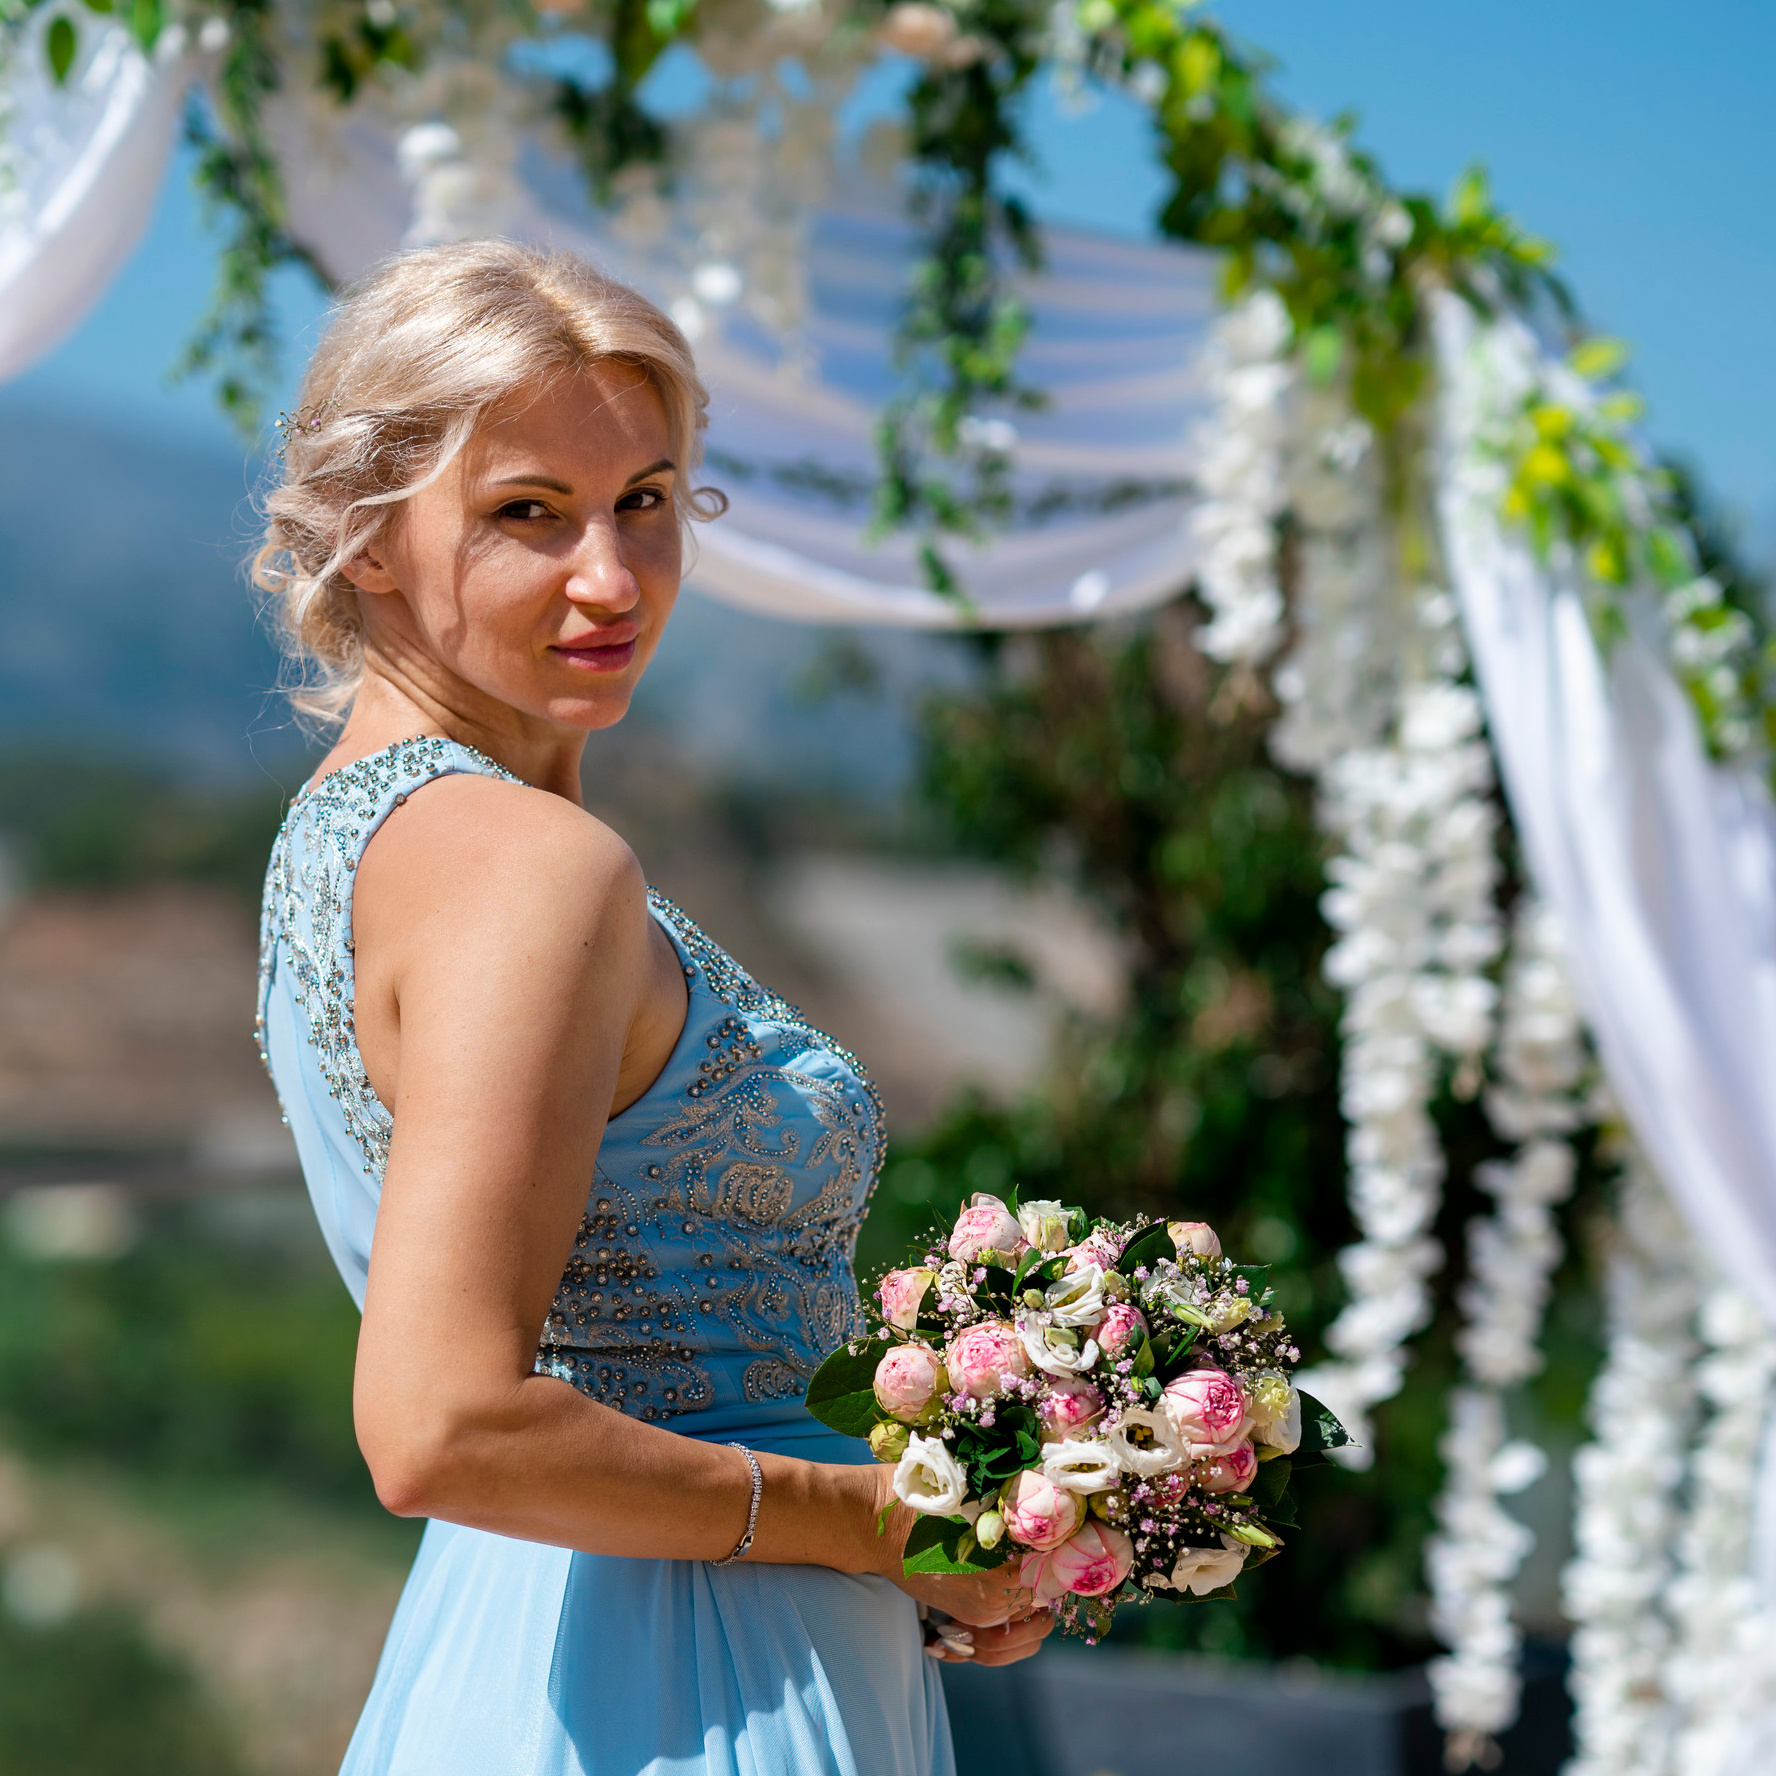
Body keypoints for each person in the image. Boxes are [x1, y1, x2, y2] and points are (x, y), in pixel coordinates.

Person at [252, 239, 1050, 1776]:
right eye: (526, 516)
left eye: (648, 502)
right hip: (689, 1683)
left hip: (537, 1630)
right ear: (363, 538)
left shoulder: (346, 838)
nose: (612, 580)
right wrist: (891, 1524)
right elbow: (440, 1424)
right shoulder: (527, 870)